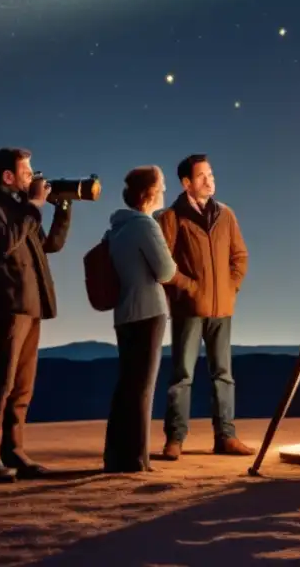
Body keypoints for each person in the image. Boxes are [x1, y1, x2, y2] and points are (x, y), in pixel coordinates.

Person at [0, 147, 72, 483]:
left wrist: (62, 208)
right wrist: (34, 206)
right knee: (1, 382)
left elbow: (49, 245)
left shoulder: (16, 208)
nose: (34, 177)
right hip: (6, 305)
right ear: (7, 176)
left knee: (22, 387)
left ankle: (14, 451)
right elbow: (4, 244)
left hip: (30, 305)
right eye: (27, 172)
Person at [157, 154, 253, 459]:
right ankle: (175, 439)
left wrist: (230, 287)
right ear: (187, 183)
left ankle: (226, 436)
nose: (209, 180)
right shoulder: (171, 218)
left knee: (223, 374)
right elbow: (164, 264)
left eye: (210, 174)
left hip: (221, 309)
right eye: (202, 176)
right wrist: (188, 287)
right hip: (188, 310)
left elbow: (240, 256)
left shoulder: (226, 214)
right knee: (182, 375)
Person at [102, 166, 176, 473]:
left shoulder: (116, 229)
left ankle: (117, 455)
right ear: (149, 193)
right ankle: (136, 459)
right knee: (143, 387)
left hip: (124, 311)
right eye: (161, 186)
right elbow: (166, 271)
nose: (164, 191)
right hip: (148, 310)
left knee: (127, 385)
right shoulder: (145, 226)